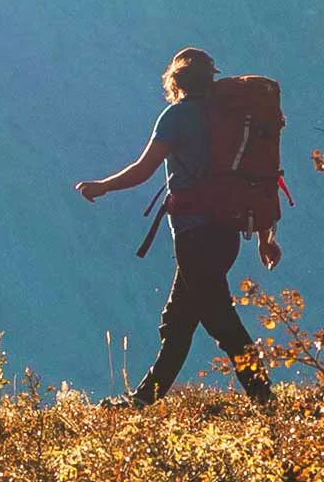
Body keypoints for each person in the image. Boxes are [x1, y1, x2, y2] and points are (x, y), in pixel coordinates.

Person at [76, 46, 280, 405]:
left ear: (175, 81)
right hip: (226, 232)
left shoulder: (177, 117)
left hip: (194, 235)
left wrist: (102, 187)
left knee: (220, 320)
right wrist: (266, 237)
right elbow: (257, 176)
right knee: (179, 320)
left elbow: (143, 170)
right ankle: (142, 399)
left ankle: (264, 398)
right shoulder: (225, 118)